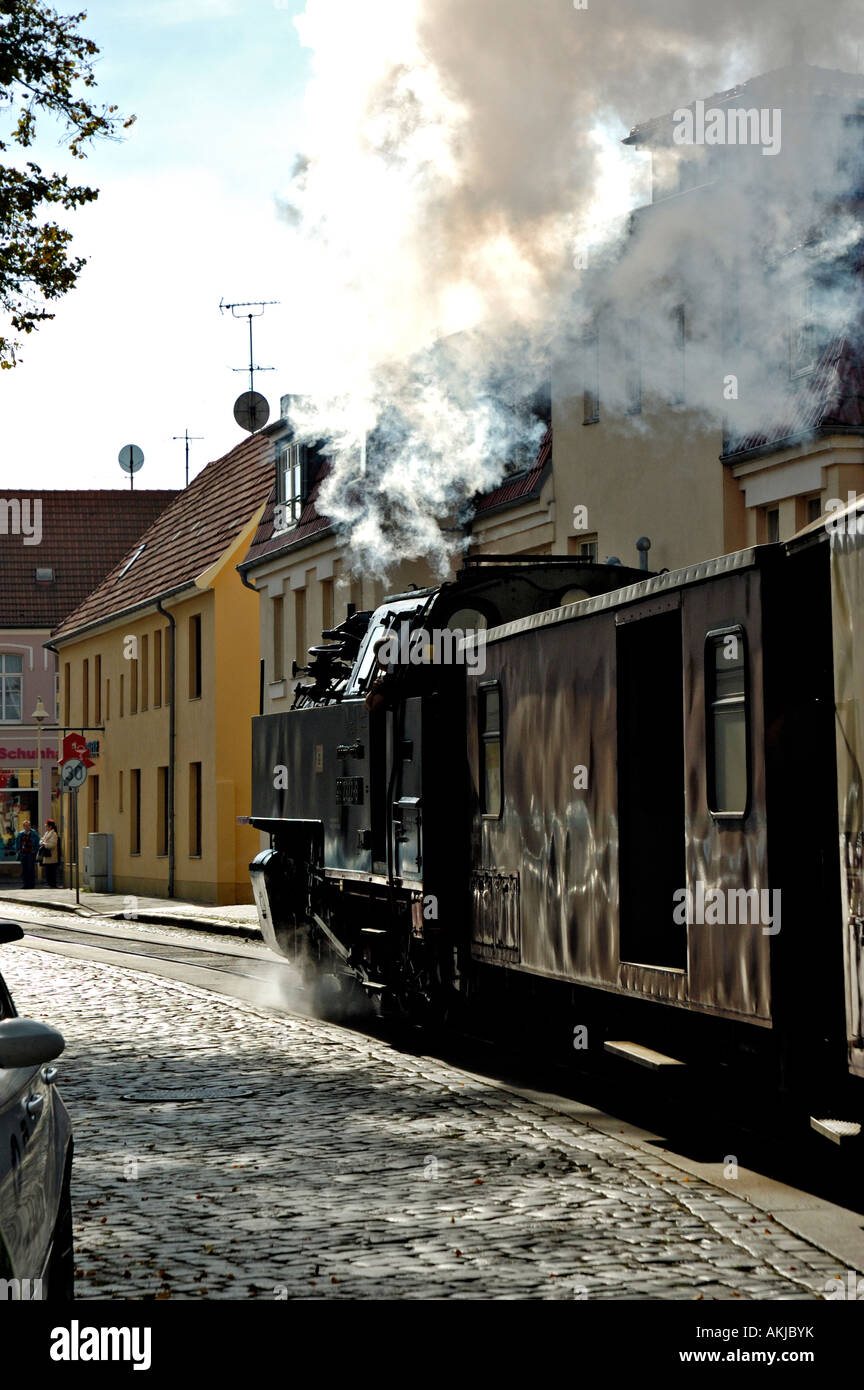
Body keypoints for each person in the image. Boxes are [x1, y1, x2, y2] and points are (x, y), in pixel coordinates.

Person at [14, 820, 40, 889]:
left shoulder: (34, 833)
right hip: (23, 853)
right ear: (23, 826)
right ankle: (25, 884)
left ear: (30, 826)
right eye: (25, 825)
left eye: (28, 825)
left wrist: (35, 851)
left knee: (31, 869)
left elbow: (38, 843)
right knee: (24, 870)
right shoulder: (20, 834)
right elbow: (17, 842)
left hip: (31, 854)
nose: (27, 827)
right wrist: (18, 850)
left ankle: (31, 885)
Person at [39, 819, 60, 889]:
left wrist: (44, 844)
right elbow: (42, 839)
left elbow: (53, 844)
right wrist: (41, 842)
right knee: (47, 870)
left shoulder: (54, 834)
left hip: (51, 855)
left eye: (47, 826)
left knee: (52, 871)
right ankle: (49, 883)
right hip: (47, 855)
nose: (46, 827)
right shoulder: (47, 833)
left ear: (50, 826)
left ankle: (52, 884)